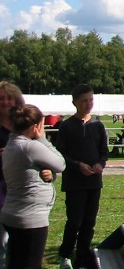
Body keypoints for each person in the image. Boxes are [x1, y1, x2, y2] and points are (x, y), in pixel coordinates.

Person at [0, 104, 65, 269]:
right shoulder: (30, 146)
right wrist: (42, 138)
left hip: (13, 214)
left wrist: (50, 175)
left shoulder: (12, 144)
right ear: (35, 126)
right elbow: (60, 163)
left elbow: (31, 171)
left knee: (15, 263)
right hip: (30, 219)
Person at [55, 84, 108, 269]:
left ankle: (83, 258)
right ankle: (66, 255)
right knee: (75, 221)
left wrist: (100, 164)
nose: (88, 104)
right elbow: (60, 154)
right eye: (84, 100)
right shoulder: (66, 126)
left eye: (91, 99)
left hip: (94, 182)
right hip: (75, 183)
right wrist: (78, 166)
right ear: (75, 102)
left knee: (89, 222)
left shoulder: (98, 126)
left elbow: (104, 152)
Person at [0, 82, 26, 267]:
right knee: (1, 241)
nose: (5, 102)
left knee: (20, 244)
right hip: (0, 189)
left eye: (9, 98)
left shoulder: (24, 124)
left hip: (22, 190)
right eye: (1, 98)